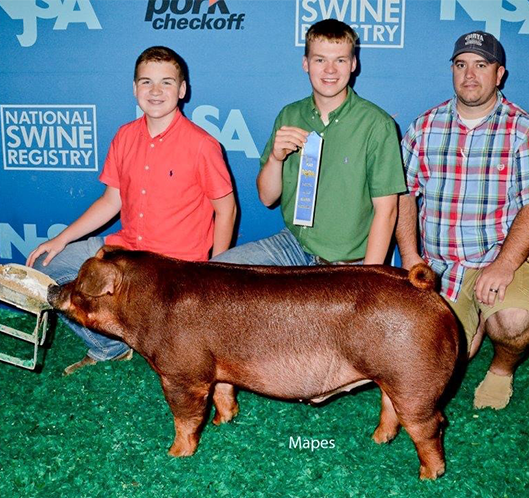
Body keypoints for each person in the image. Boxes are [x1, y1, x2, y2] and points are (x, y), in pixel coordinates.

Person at [26, 46, 237, 375]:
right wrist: (60, 239)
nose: (156, 91)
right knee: (44, 267)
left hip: (173, 267)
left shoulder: (202, 145)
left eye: (167, 82)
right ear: (135, 88)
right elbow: (111, 201)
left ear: (182, 90)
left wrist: (216, 274)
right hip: (124, 251)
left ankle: (144, 324)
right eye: (146, 82)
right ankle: (110, 345)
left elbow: (226, 210)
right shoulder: (124, 136)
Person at [396, 31, 529, 410]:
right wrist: (409, 255)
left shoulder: (526, 131)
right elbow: (404, 195)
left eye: (481, 65)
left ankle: (501, 369)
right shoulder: (424, 127)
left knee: (514, 322)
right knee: (436, 360)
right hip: (441, 263)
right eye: (461, 65)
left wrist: (504, 265)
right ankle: (474, 322)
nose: (469, 75)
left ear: (499, 74)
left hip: (503, 256)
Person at [212, 19, 406, 267]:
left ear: (353, 64)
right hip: (294, 246)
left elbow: (387, 212)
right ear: (306, 63)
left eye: (340, 60)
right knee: (219, 272)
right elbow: (267, 198)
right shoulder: (290, 115)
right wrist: (275, 159)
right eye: (320, 60)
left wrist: (367, 279)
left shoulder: (377, 125)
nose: (330, 70)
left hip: (348, 262)